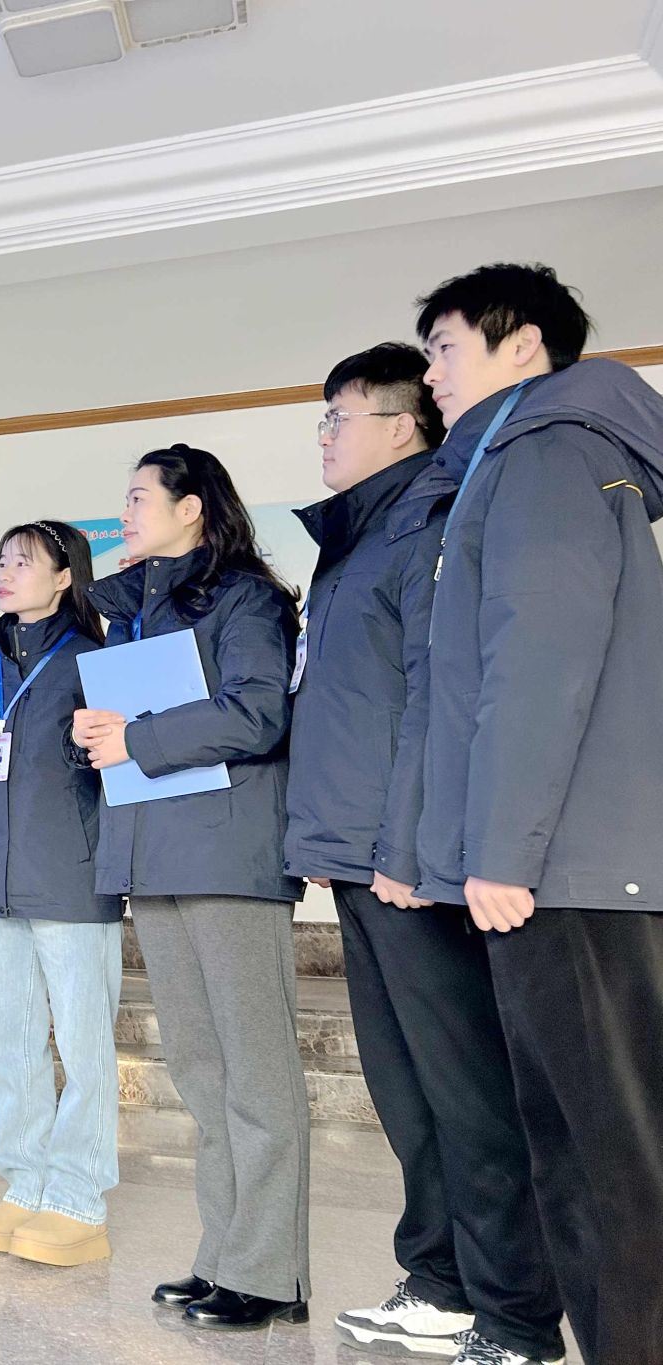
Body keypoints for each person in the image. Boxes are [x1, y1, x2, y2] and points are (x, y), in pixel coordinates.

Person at [284, 343, 565, 1364]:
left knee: (465, 1094)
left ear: (402, 425)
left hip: (407, 861)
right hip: (360, 855)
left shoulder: (432, 520)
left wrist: (401, 847)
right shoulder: (354, 540)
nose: (323, 435)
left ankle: (517, 1318)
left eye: (339, 417)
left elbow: (432, 700)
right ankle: (440, 1285)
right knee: (407, 1094)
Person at [410, 262, 663, 1365]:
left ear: (521, 347)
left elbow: (538, 657)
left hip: (565, 864)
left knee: (608, 1166)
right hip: (562, 860)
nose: (430, 373)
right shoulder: (528, 456)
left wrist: (502, 849)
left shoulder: (547, 450)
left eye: (444, 348)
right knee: (578, 1152)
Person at [70, 444, 310, 1331]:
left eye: (139, 497)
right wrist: (101, 735)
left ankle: (271, 1272)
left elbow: (259, 711)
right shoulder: (137, 613)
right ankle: (225, 1256)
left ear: (192, 507)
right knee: (204, 1075)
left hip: (228, 856)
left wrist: (136, 737)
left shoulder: (246, 598)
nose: (125, 513)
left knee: (256, 1074)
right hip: (158, 855)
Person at [0, 521, 122, 1268]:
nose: (6, 570)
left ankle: (78, 1199)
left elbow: (121, 770)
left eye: (24, 561)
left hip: (71, 878)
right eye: (1, 560)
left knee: (84, 1045)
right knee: (8, 1043)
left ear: (64, 577)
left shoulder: (95, 664)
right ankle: (25, 1184)